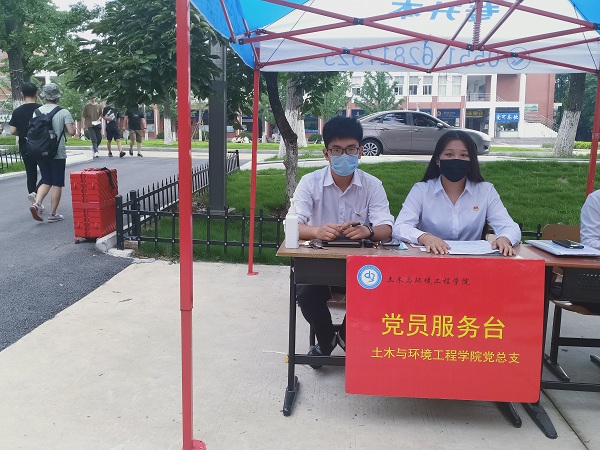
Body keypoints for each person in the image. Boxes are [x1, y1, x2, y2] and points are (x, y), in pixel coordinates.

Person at [290, 115, 394, 365]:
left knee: (377, 291)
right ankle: (326, 339)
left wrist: (368, 231)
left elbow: (387, 228)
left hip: (361, 265)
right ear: (326, 154)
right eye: (336, 150)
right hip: (320, 264)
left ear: (360, 152)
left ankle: (347, 336)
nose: (344, 155)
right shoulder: (310, 182)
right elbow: (292, 224)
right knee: (306, 294)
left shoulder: (372, 185)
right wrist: (317, 232)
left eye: (350, 149)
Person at [393, 130, 520, 256]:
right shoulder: (421, 190)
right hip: (432, 258)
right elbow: (400, 227)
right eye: (449, 154)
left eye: (464, 155)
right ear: (438, 160)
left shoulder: (486, 191)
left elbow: (509, 226)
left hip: (473, 261)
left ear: (472, 160)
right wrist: (425, 237)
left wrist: (505, 239)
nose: (456, 160)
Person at [28, 83, 76, 223]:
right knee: (57, 183)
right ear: (57, 97)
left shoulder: (36, 111)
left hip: (40, 150)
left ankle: (37, 204)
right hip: (57, 152)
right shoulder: (63, 112)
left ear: (44, 96)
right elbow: (72, 132)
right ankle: (53, 214)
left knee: (46, 179)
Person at [9, 82, 42, 206]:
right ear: (36, 94)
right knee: (46, 175)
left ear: (22, 94)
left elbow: (12, 131)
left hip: (25, 145)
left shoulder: (17, 111)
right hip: (41, 146)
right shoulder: (41, 109)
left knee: (31, 174)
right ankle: (37, 195)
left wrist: (24, 133)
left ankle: (34, 200)